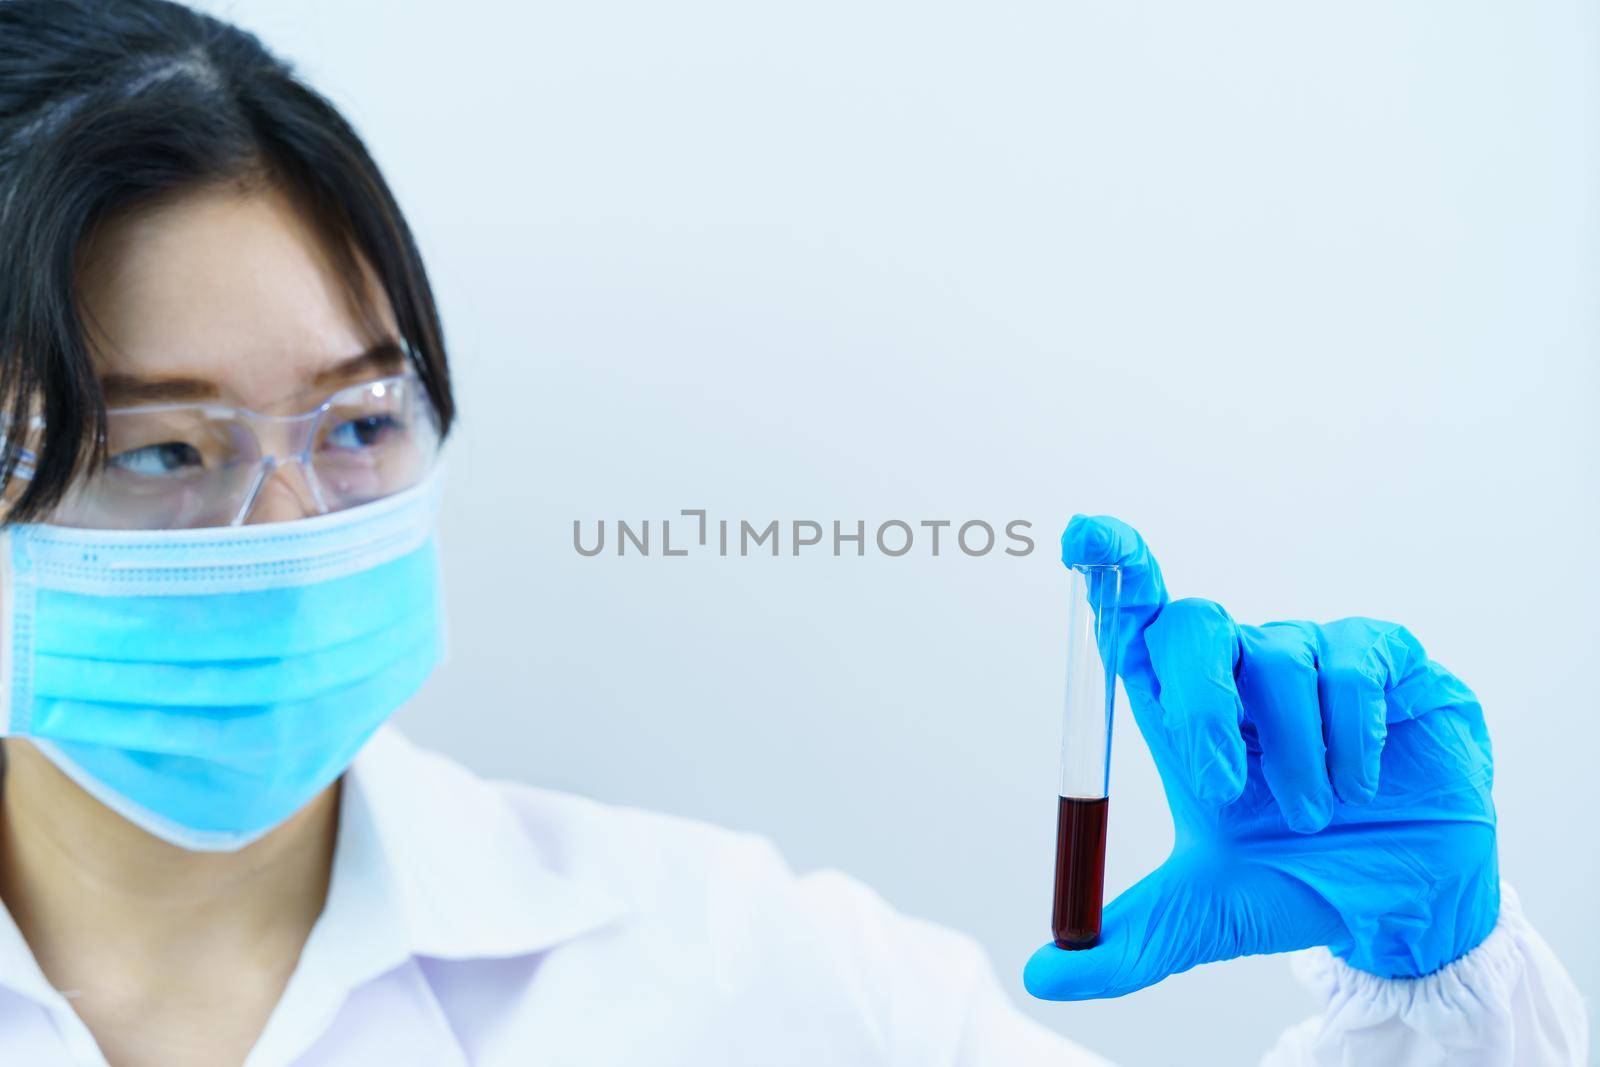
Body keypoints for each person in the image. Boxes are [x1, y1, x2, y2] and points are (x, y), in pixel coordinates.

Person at [0, 2, 1585, 1065]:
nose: (289, 529)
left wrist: (1427, 990)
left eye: (356, 425)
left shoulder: (735, 974)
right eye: (158, 452)